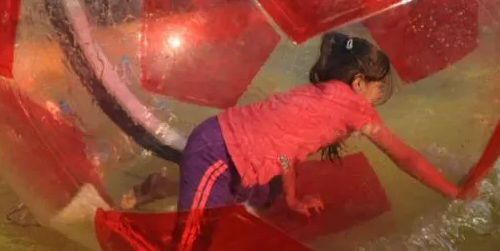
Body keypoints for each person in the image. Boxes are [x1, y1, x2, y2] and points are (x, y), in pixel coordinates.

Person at [121, 32, 462, 220]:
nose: (379, 94)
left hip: (238, 159)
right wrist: (454, 192)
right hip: (218, 156)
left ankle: (161, 186)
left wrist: (292, 196)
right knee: (198, 250)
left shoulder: (321, 98)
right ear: (359, 83)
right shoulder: (353, 107)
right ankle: (174, 194)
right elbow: (404, 157)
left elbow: (285, 151)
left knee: (264, 198)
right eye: (379, 85)